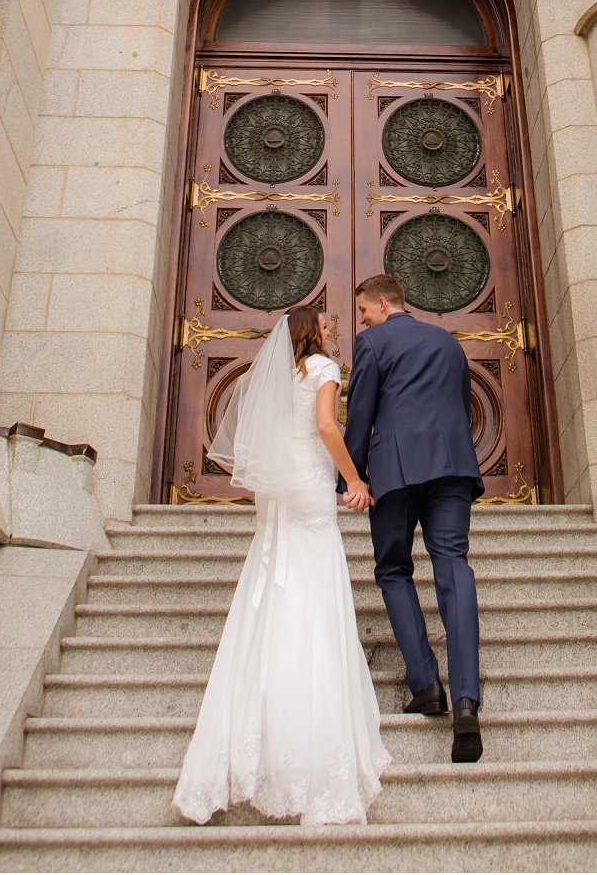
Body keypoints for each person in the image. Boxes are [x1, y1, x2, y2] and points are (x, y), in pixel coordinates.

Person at [171, 305, 391, 826]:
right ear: (310, 332)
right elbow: (325, 426)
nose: (333, 328)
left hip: (278, 484)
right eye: (326, 323)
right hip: (311, 480)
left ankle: (252, 723)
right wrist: (354, 480)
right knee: (313, 575)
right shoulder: (325, 369)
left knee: (274, 575)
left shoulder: (280, 375)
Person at [343, 274, 485, 763]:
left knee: (393, 570)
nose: (360, 319)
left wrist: (350, 479)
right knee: (452, 566)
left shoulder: (373, 342)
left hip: (396, 470)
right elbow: (462, 407)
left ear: (382, 304)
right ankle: (467, 700)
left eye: (363, 310)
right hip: (451, 465)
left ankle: (426, 683)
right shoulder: (447, 341)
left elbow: (360, 413)